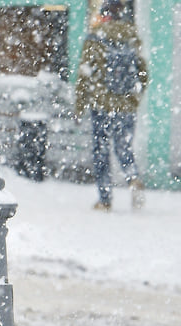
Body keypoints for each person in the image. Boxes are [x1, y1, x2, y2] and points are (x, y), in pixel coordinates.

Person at [74, 0, 149, 211]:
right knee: (123, 146)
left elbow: (84, 76)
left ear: (104, 14)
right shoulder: (132, 36)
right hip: (126, 105)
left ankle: (105, 199)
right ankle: (133, 178)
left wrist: (79, 106)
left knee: (101, 152)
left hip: (101, 104)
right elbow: (143, 72)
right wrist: (134, 97)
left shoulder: (95, 37)